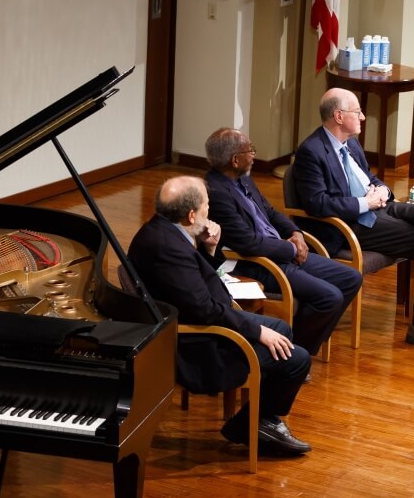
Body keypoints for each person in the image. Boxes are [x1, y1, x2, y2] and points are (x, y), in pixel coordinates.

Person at [291, 88, 414, 353]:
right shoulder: (311, 151)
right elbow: (317, 203)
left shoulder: (350, 143)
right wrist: (366, 203)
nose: (363, 117)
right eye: (357, 112)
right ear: (339, 116)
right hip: (351, 224)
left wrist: (382, 191)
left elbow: (369, 178)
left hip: (379, 207)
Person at [127, 175, 312, 455]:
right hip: (200, 345)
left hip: (206, 320)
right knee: (297, 358)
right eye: (206, 206)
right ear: (191, 215)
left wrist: (210, 249)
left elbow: (197, 284)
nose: (209, 211)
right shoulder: (168, 248)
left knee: (282, 330)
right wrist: (257, 331)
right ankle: (253, 425)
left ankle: (260, 420)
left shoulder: (164, 230)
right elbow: (204, 310)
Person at [203, 127, 363, 357]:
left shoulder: (243, 179)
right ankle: (296, 352)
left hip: (281, 251)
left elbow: (269, 211)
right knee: (329, 297)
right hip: (258, 263)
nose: (254, 154)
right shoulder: (216, 192)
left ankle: (298, 341)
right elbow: (248, 243)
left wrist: (296, 233)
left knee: (351, 277)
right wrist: (290, 248)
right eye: (251, 150)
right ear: (235, 160)